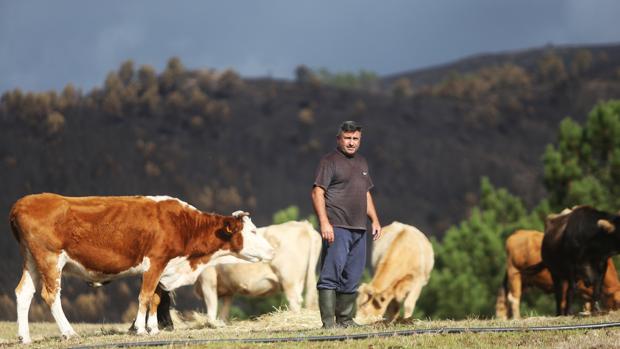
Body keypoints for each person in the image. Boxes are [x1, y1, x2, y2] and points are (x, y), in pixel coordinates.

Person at [311, 120, 382, 328]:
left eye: (355, 139)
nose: (351, 143)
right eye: (348, 138)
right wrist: (324, 223)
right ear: (339, 139)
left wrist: (375, 220)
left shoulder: (362, 163)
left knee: (352, 276)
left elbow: (365, 193)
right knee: (330, 275)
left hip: (359, 229)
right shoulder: (329, 161)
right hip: (337, 227)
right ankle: (328, 324)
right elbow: (317, 192)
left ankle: (346, 320)